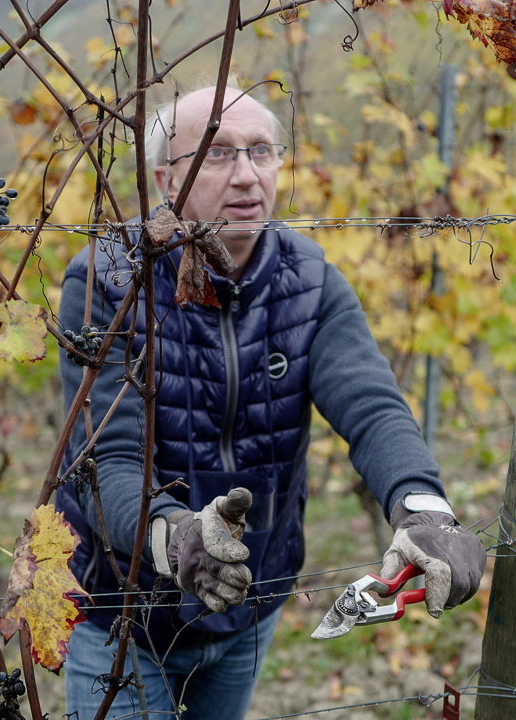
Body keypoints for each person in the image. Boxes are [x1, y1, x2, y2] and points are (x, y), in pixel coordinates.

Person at [56, 85, 487, 720]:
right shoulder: (108, 282)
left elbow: (372, 406)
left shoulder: (310, 279)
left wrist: (424, 509)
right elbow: (107, 460)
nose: (246, 174)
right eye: (218, 153)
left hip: (249, 605)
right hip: (122, 618)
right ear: (164, 179)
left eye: (261, 151)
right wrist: (177, 539)